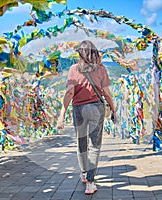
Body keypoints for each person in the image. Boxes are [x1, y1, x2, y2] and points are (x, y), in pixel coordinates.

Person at [57, 40, 116, 195]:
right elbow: (107, 93)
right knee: (94, 145)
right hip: (96, 107)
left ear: (80, 54)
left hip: (78, 109)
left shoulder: (73, 69)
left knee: (81, 142)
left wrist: (62, 114)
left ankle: (84, 174)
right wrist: (113, 109)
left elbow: (69, 93)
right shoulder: (101, 69)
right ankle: (91, 182)